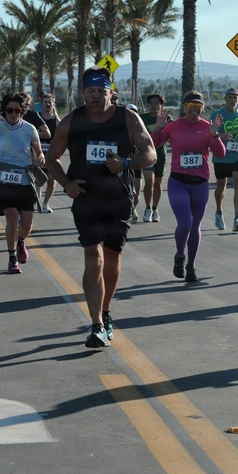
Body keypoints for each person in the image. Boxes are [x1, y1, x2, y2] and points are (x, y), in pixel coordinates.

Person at [45, 67, 155, 348]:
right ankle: (95, 324)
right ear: (83, 93)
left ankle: (105, 313)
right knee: (93, 258)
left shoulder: (127, 118)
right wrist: (66, 183)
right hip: (86, 198)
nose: (96, 96)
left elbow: (150, 154)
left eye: (101, 91)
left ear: (110, 92)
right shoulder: (71, 121)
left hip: (119, 199)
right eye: (91, 91)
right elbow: (51, 158)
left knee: (112, 260)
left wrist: (126, 163)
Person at [151, 90, 225, 283]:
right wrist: (158, 129)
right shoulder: (174, 126)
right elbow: (152, 146)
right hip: (178, 182)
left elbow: (221, 154)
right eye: (191, 106)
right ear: (184, 108)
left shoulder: (207, 128)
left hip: (200, 185)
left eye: (198, 107)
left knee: (196, 226)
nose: (195, 110)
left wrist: (215, 135)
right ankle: (179, 256)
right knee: (185, 223)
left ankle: (191, 265)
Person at [0, 93, 43, 274]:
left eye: (17, 110)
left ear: (22, 111)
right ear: (4, 111)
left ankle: (21, 241)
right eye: (10, 110)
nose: (14, 113)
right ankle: (11, 258)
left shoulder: (30, 129)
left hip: (24, 178)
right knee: (11, 216)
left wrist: (40, 158)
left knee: (27, 225)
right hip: (3, 178)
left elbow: (39, 151)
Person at [210, 87, 238, 233]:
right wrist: (220, 135)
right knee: (221, 185)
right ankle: (219, 212)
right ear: (225, 99)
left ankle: (237, 217)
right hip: (221, 155)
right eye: (230, 97)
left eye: (235, 98)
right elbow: (210, 133)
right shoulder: (217, 114)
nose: (232, 100)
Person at [142, 94, 171, 222]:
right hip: (147, 154)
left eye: (157, 103)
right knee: (149, 182)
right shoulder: (142, 118)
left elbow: (172, 136)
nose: (154, 105)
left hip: (161, 155)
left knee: (158, 183)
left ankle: (155, 209)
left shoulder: (167, 118)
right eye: (151, 103)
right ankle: (147, 208)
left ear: (162, 105)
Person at [37, 94, 60, 212]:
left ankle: (45, 204)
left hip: (52, 153)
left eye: (50, 102)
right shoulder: (37, 117)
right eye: (45, 102)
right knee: (40, 179)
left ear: (53, 104)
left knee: (52, 180)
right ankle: (38, 186)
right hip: (38, 152)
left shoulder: (56, 119)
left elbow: (61, 132)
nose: (47, 104)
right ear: (41, 104)